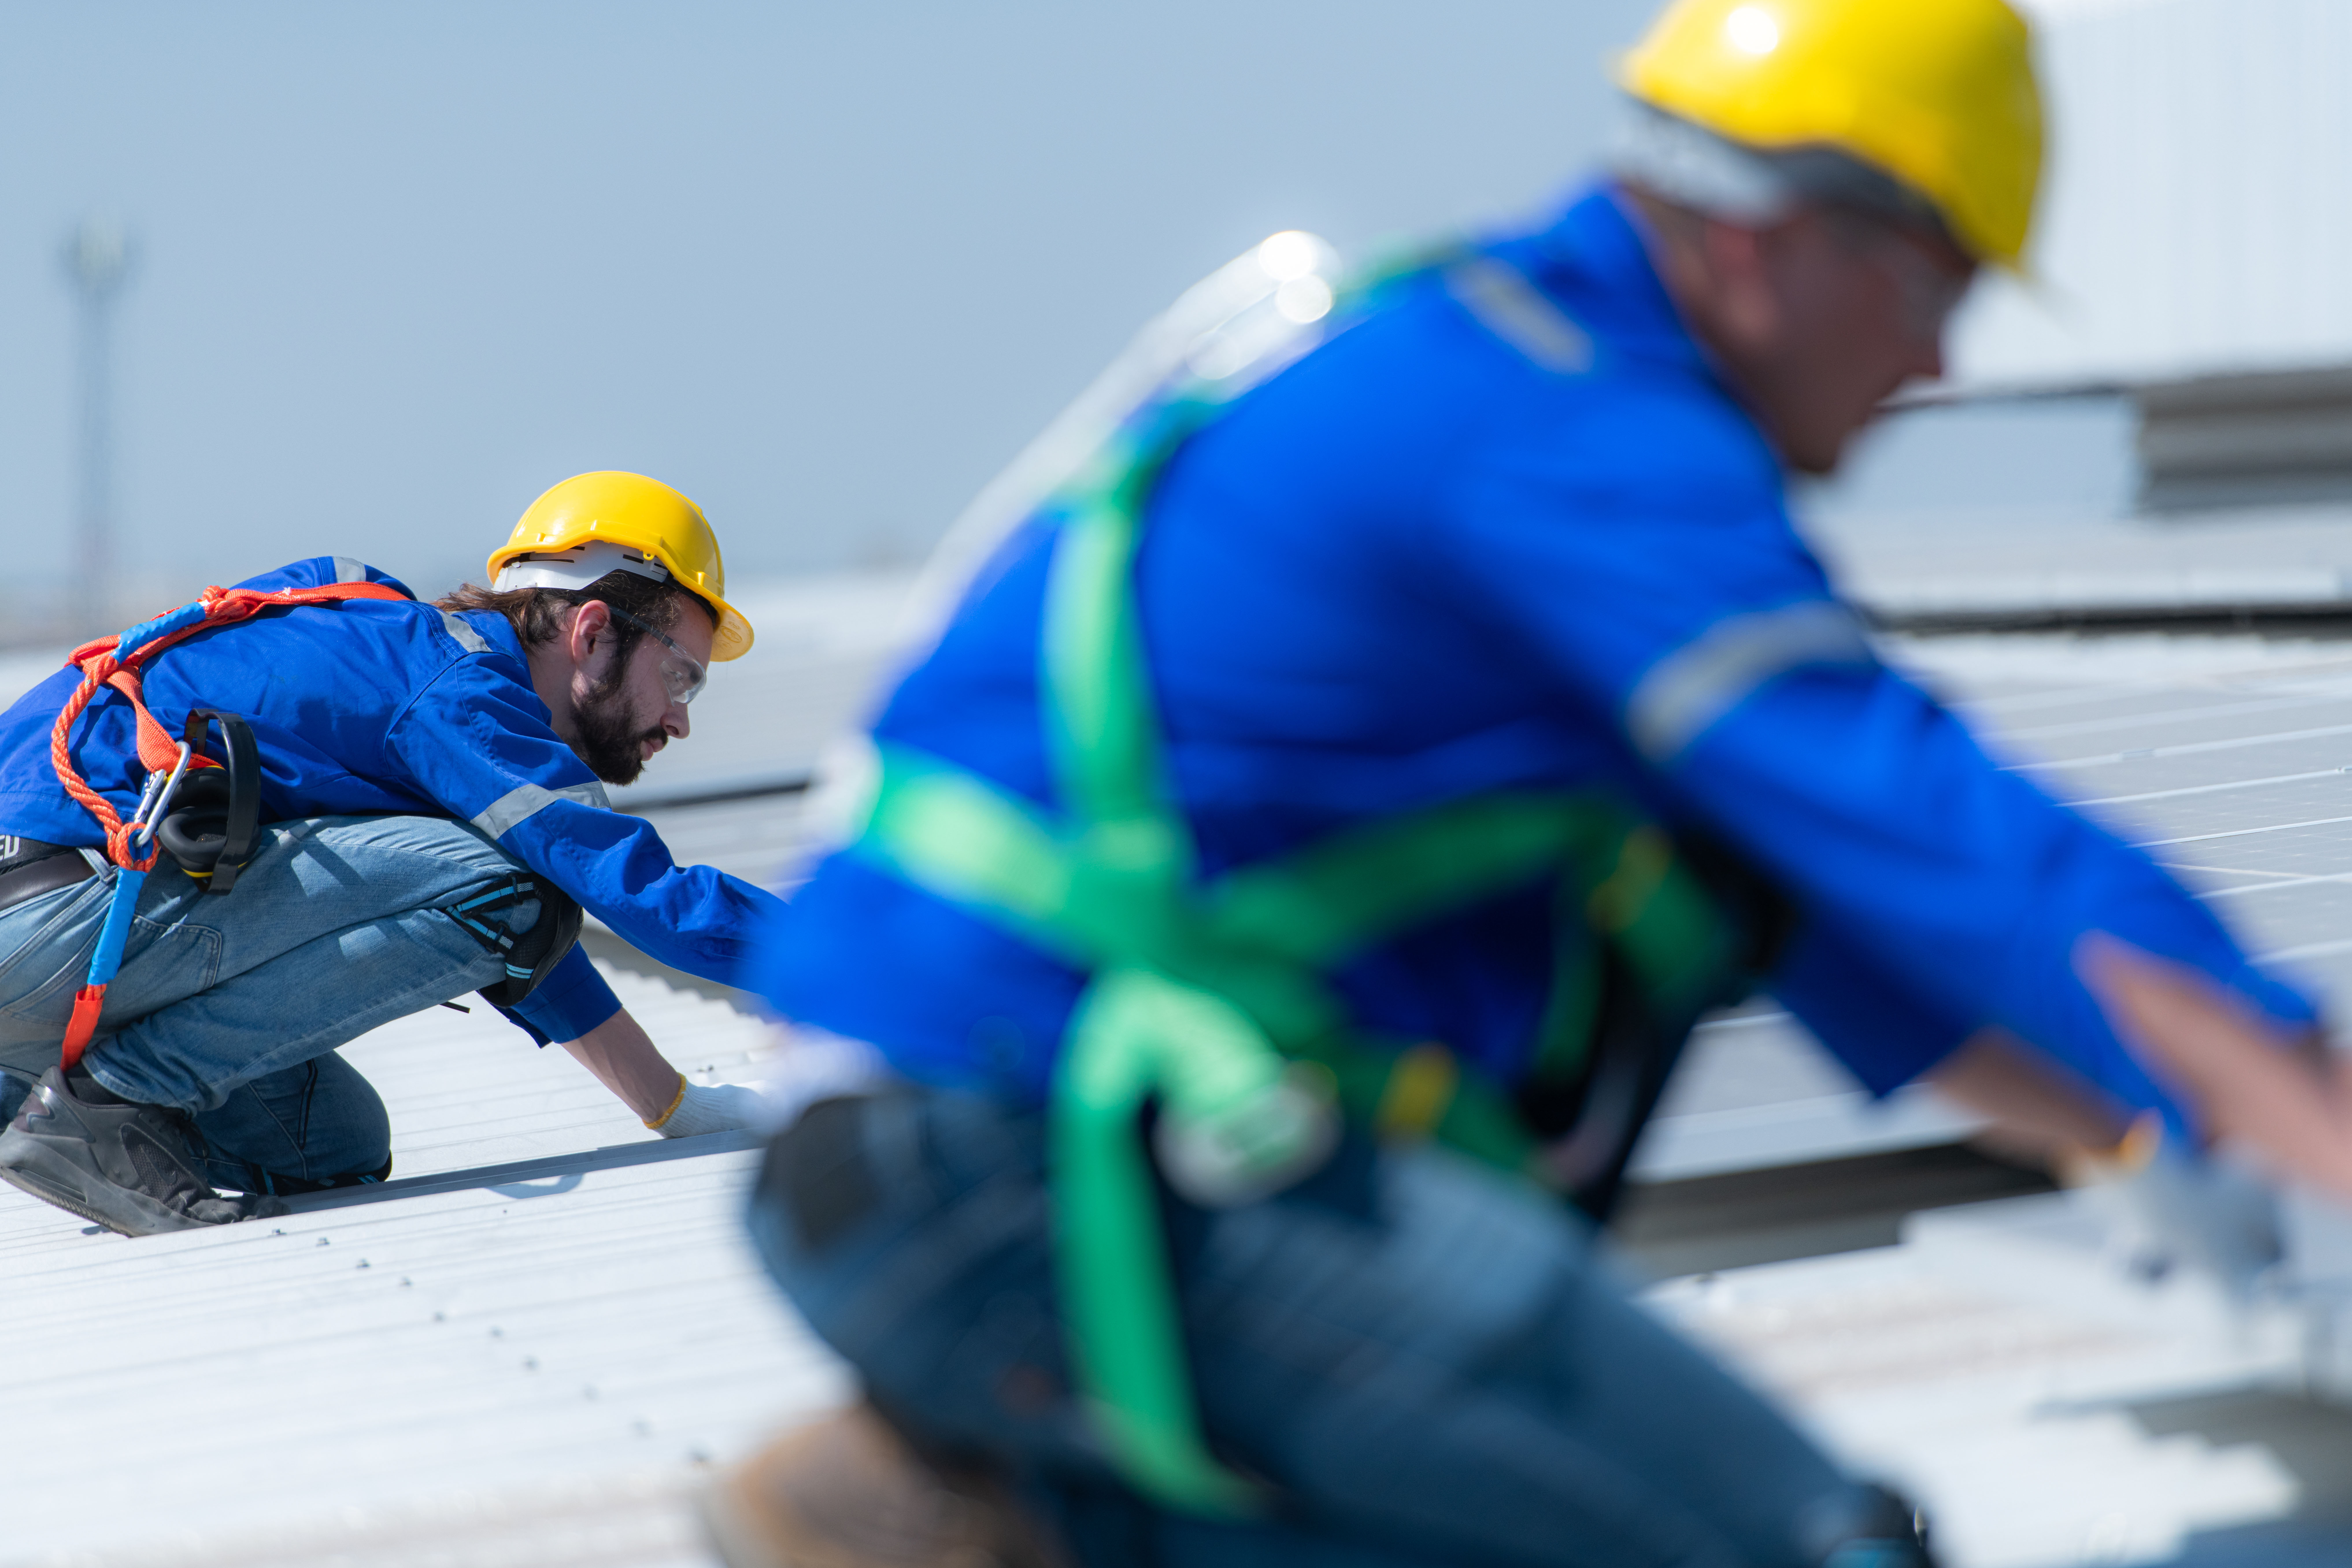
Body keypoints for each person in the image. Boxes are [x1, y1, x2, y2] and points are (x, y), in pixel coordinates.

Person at [710, 1, 2344, 1564]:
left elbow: (1827, 922)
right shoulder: (1575, 431)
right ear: (1777, 234)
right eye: (1934, 284)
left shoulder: (1486, 355)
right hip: (1020, 1153)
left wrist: (2161, 1138)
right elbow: (1936, 830)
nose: (1932, 362)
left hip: (922, 1161)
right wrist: (2306, 1109)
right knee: (1805, 1545)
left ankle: (976, 1528)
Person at [0, 470, 782, 1236]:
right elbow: (630, 893)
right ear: (593, 631)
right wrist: (871, 970)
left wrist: (673, 1106)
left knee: (333, 1144)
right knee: (516, 887)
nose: (680, 720)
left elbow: (526, 949)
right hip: (58, 923)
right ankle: (106, 1104)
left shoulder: (370, 629)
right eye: (681, 675)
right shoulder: (457, 690)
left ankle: (30, 1094)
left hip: (49, 938)